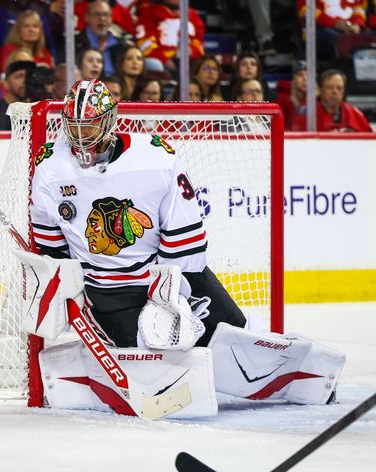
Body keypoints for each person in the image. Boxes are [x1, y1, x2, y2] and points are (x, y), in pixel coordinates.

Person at [23, 78, 345, 417]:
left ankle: (303, 369)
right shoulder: (49, 168)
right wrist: (73, 288)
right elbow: (52, 248)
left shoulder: (155, 158)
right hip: (109, 292)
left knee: (235, 334)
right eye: (73, 127)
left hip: (172, 277)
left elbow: (185, 234)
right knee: (161, 356)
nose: (80, 136)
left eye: (89, 125)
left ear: (110, 118)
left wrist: (170, 293)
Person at [136, 0, 205, 73]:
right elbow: (145, 43)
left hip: (189, 61)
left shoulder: (193, 15)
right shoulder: (150, 12)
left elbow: (199, 43)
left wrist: (191, 51)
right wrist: (164, 60)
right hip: (163, 63)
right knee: (155, 64)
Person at [294, 69, 373, 132]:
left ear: (343, 92)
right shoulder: (308, 113)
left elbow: (371, 142)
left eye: (339, 88)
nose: (335, 92)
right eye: (329, 87)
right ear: (320, 90)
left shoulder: (354, 113)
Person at [0, 58, 32, 129]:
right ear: (6, 83)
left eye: (28, 76)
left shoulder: (37, 110)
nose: (25, 81)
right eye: (19, 76)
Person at [275, 61, 312, 131]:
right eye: (300, 75)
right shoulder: (282, 100)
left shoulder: (320, 99)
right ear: (293, 79)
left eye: (308, 75)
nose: (305, 79)